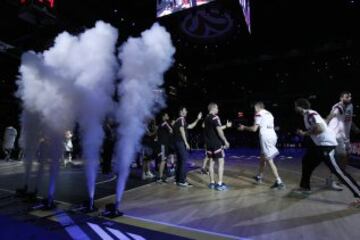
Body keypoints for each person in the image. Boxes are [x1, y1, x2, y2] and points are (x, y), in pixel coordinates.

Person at [294, 98, 360, 207]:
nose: (294, 108)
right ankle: (305, 187)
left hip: (326, 145)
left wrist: (304, 133)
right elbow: (323, 123)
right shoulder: (308, 115)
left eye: (295, 106)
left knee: (339, 172)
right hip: (320, 145)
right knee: (307, 161)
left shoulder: (310, 113)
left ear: (299, 106)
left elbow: (319, 128)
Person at [239, 102, 285, 189]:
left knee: (269, 159)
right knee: (262, 158)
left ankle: (279, 181)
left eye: (254, 108)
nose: (254, 110)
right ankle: (259, 176)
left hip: (265, 137)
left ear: (257, 107)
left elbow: (254, 129)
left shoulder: (258, 114)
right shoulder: (269, 113)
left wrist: (244, 127)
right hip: (273, 135)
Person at [325, 91, 360, 191]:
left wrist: (355, 128)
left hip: (345, 136)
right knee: (340, 157)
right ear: (341, 98)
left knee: (344, 159)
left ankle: (339, 177)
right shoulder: (338, 106)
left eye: (350, 96)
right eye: (346, 96)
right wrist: (325, 124)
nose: (349, 98)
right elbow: (331, 115)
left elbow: (348, 119)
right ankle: (331, 180)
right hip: (336, 135)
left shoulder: (351, 106)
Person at [204, 103, 230, 191]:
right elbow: (219, 131)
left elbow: (214, 129)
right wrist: (225, 141)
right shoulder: (215, 117)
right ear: (214, 108)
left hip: (209, 144)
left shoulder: (206, 118)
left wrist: (226, 126)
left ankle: (212, 183)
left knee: (211, 162)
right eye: (217, 108)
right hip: (216, 144)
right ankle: (219, 184)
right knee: (221, 162)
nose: (218, 109)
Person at [173, 107, 202, 187]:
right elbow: (182, 129)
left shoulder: (178, 120)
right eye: (185, 110)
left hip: (176, 143)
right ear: (181, 111)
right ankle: (182, 181)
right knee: (184, 161)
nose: (187, 111)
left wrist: (197, 119)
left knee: (179, 161)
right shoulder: (181, 119)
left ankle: (177, 180)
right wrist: (186, 143)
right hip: (180, 143)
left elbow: (190, 127)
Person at [156, 113, 173, 183]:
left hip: (164, 145)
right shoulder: (164, 123)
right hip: (162, 145)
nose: (168, 116)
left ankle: (161, 176)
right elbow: (171, 130)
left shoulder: (163, 124)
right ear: (163, 116)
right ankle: (160, 178)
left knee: (163, 161)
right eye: (167, 115)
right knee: (163, 161)